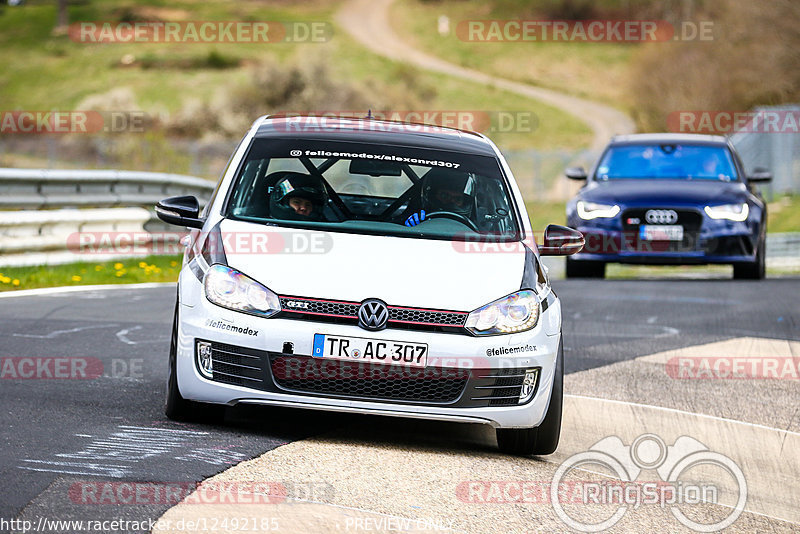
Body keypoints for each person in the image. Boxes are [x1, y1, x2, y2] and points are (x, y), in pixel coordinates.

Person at [404, 168, 477, 227]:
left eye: (457, 199)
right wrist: (410, 229)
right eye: (444, 196)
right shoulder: (418, 219)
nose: (451, 202)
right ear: (432, 195)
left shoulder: (473, 229)